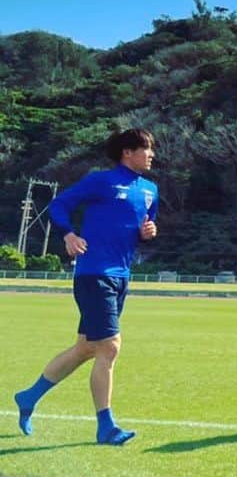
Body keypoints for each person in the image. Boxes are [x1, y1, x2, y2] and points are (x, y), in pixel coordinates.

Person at [13, 128, 158, 445]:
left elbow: (145, 228)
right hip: (94, 274)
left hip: (121, 276)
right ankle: (106, 427)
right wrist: (68, 234)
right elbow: (59, 206)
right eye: (146, 149)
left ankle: (28, 397)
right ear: (127, 152)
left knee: (86, 348)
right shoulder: (100, 181)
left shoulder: (150, 190)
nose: (151, 155)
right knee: (110, 347)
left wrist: (149, 231)